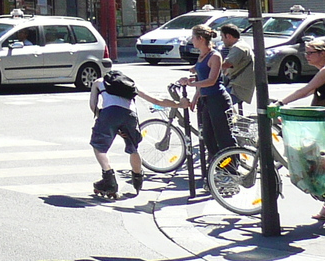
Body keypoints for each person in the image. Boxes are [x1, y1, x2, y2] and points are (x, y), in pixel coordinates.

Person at [271, 39, 325, 222]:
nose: (306, 56)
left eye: (310, 53)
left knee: (322, 162)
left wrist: (281, 104)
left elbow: (305, 89)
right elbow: (310, 92)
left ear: (322, 53)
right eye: (306, 52)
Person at [90, 70, 177, 196]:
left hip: (109, 113)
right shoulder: (130, 84)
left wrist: (104, 120)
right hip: (130, 115)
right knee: (133, 148)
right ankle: (137, 178)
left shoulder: (98, 82)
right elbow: (156, 100)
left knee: (99, 146)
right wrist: (180, 104)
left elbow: (93, 106)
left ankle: (109, 180)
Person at [179, 24, 236, 162]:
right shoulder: (201, 56)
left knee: (223, 136)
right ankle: (217, 165)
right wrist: (195, 97)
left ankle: (232, 168)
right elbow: (201, 78)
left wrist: (191, 83)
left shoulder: (214, 56)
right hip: (206, 100)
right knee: (208, 136)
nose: (192, 40)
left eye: (193, 37)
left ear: (200, 38)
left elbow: (211, 80)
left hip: (218, 99)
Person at [219, 24, 254, 109]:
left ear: (228, 36)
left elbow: (226, 64)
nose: (221, 39)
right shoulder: (241, 45)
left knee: (218, 103)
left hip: (238, 88)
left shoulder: (239, 48)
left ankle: (229, 121)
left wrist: (207, 65)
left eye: (222, 36)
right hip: (236, 85)